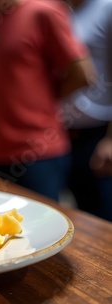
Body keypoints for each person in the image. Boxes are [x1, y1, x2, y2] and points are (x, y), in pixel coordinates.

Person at [0, 0, 96, 201]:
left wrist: (42, 100)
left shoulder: (43, 12)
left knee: (44, 228)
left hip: (37, 154)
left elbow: (83, 75)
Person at [62, 0, 112, 221]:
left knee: (102, 217)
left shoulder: (106, 7)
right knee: (75, 217)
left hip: (98, 135)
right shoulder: (62, 9)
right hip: (62, 132)